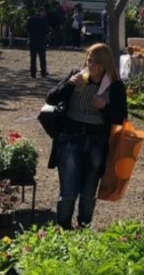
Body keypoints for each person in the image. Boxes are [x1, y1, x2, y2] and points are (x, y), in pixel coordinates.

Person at [45, 43, 128, 230]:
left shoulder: (114, 86)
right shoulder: (77, 75)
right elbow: (50, 98)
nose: (92, 66)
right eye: (89, 61)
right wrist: (69, 85)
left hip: (96, 140)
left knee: (89, 189)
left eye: (97, 63)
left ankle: (84, 227)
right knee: (68, 188)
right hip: (70, 138)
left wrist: (104, 107)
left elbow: (121, 117)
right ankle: (63, 227)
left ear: (106, 65)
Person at [26, 6, 50, 78]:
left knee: (33, 58)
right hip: (41, 41)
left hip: (32, 41)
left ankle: (33, 73)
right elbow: (47, 30)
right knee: (42, 58)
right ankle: (43, 72)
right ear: (42, 12)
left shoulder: (30, 19)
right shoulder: (43, 20)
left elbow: (27, 29)